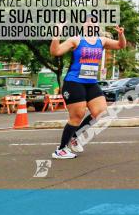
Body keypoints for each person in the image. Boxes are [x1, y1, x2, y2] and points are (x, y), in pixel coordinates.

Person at [50, 22, 127, 159]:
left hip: (91, 83)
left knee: (100, 111)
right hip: (74, 82)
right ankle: (60, 150)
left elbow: (121, 45)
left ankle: (75, 136)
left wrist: (121, 35)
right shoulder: (76, 40)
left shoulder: (101, 41)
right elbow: (55, 52)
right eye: (88, 24)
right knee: (77, 116)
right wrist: (57, 33)